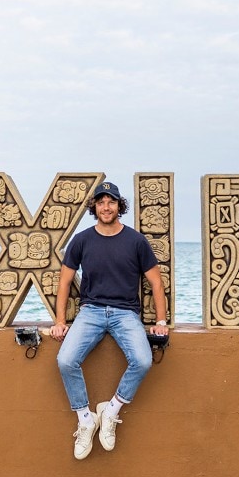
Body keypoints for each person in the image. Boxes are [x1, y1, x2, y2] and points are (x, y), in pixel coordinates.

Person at [52, 181, 169, 460]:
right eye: (101, 202)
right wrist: (59, 320)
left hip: (125, 313)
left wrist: (161, 321)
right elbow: (65, 282)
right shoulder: (81, 240)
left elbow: (156, 283)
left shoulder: (136, 241)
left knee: (142, 361)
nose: (106, 207)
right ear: (94, 207)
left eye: (112, 202)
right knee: (65, 360)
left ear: (120, 206)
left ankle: (110, 409)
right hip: (90, 311)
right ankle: (85, 419)